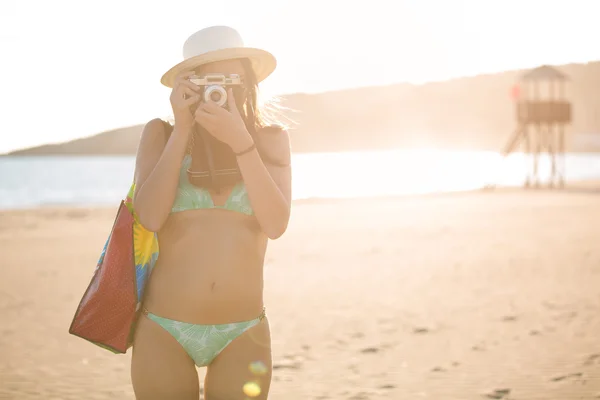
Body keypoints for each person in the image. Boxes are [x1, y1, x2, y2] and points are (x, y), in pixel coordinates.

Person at [130, 25, 292, 400]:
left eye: (232, 79)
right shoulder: (159, 134)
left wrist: (241, 144)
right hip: (164, 329)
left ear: (249, 83)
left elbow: (276, 224)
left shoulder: (271, 141)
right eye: (210, 81)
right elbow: (150, 218)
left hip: (243, 332)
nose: (222, 91)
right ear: (189, 85)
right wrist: (182, 129)